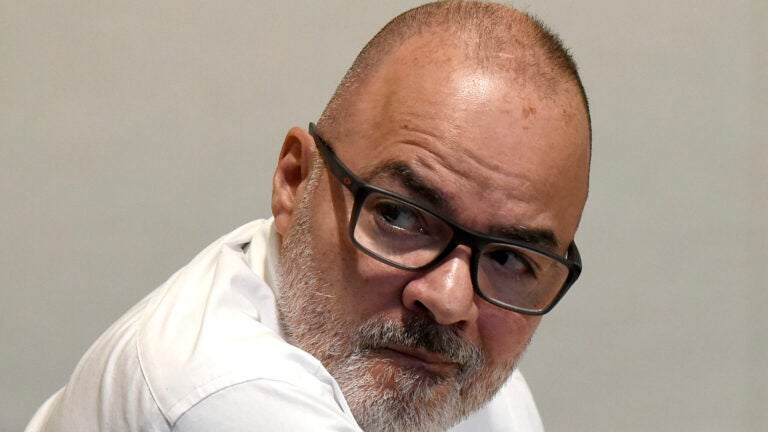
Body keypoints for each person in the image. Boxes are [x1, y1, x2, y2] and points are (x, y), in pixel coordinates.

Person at [26, 1, 591, 431]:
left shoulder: (478, 388)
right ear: (295, 182)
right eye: (399, 215)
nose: (447, 300)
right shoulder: (227, 390)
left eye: (511, 257)